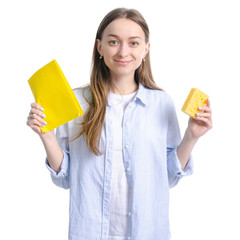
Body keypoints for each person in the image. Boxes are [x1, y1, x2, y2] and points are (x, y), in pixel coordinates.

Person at [26, 8, 212, 240]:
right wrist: (47, 136)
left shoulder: (161, 104)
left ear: (146, 49)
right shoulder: (76, 103)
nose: (123, 51)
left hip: (148, 232)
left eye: (133, 43)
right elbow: (65, 178)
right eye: (113, 41)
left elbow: (169, 177)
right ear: (99, 47)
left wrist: (191, 136)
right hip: (90, 233)